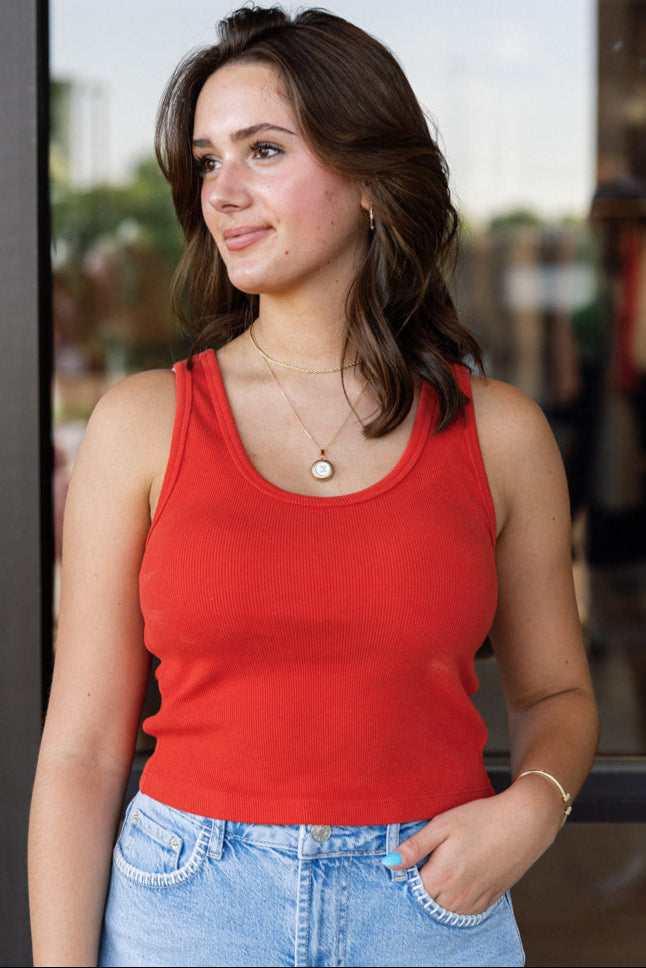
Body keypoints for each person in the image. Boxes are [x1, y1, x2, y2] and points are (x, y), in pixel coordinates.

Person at [29, 7, 599, 967]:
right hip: (187, 906)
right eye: (208, 161)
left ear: (373, 178)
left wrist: (531, 813)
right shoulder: (141, 426)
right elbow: (83, 751)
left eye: (262, 150)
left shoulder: (498, 434)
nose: (224, 193)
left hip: (429, 906)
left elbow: (557, 695)